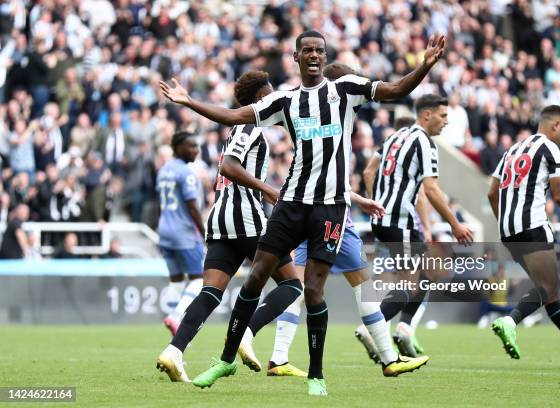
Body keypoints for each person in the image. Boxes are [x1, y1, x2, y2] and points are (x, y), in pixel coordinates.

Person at [160, 29, 446, 396]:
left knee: (313, 290)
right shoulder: (285, 101)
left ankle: (316, 375)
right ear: (296, 58)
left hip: (329, 209)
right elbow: (232, 115)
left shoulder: (345, 90)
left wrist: (423, 66)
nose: (313, 55)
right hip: (291, 203)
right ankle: (226, 359)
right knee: (256, 275)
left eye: (319, 50)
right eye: (306, 50)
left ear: (325, 58)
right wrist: (188, 102)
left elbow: (395, 90)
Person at [237, 63, 429, 378]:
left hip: (305, 209)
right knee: (362, 285)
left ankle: (273, 352)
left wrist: (359, 197)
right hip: (332, 216)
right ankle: (388, 357)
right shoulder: (336, 111)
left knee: (297, 286)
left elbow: (324, 177)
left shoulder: (313, 116)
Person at [156, 71, 300, 383]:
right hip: (245, 217)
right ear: (262, 98)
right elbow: (229, 167)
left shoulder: (242, 127)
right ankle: (246, 333)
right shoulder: (250, 125)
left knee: (210, 292)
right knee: (292, 285)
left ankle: (174, 351)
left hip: (220, 218)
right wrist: (268, 189)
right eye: (271, 94)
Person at [487, 105, 560, 368]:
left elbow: (492, 193)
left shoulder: (511, 150)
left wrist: (507, 223)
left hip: (509, 230)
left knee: (548, 292)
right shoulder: (551, 148)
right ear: (554, 125)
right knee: (549, 286)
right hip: (533, 225)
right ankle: (510, 320)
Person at [362, 94, 473, 358]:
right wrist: (455, 224)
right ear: (427, 115)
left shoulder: (395, 137)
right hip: (399, 221)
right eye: (443, 116)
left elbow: (369, 170)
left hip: (385, 220)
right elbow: (431, 189)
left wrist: (377, 203)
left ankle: (404, 328)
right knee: (410, 285)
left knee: (428, 274)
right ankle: (372, 328)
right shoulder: (424, 142)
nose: (446, 122)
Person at [156, 131, 206, 335]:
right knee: (199, 279)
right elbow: (192, 206)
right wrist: (204, 233)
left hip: (164, 231)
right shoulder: (186, 173)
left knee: (176, 280)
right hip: (183, 233)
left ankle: (170, 319)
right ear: (179, 148)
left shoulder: (164, 169)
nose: (196, 150)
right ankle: (176, 317)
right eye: (191, 146)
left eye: (197, 146)